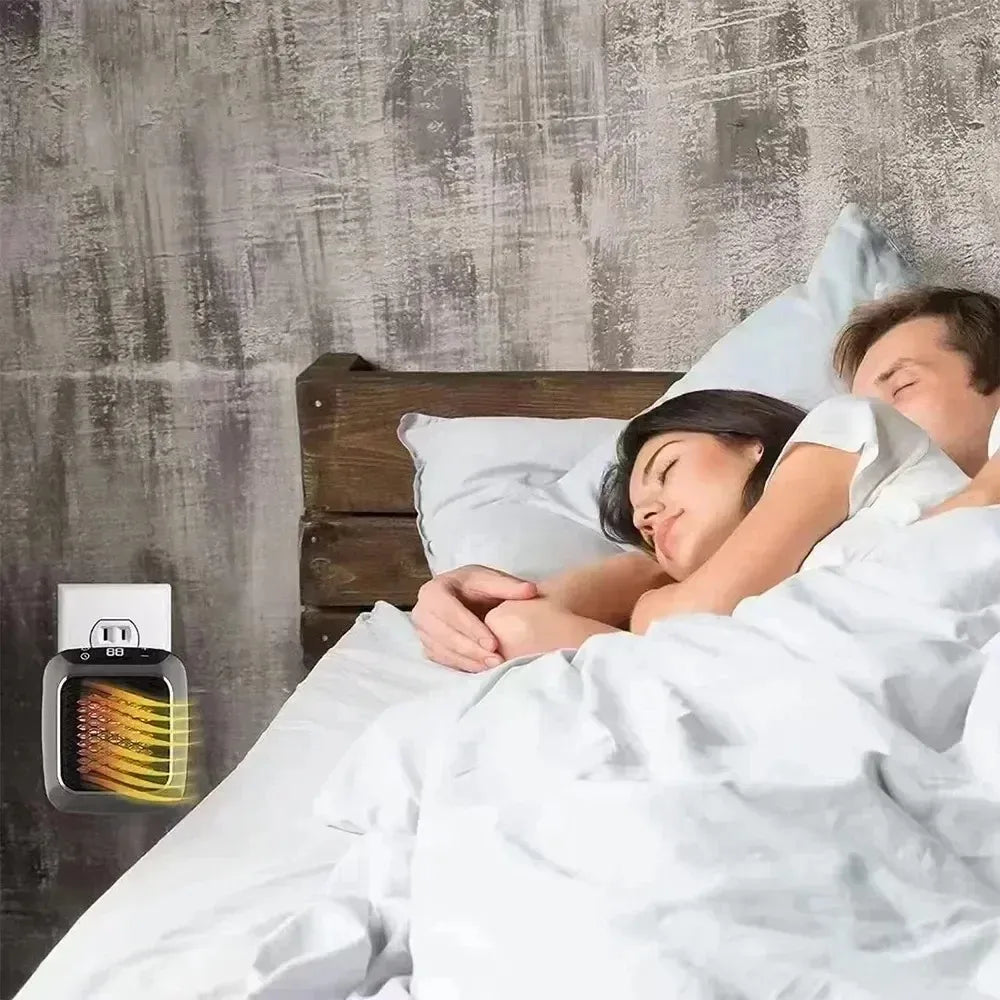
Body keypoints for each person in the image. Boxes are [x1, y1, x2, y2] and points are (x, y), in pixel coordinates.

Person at [413, 286, 1000, 671]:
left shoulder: (860, 430)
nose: (879, 410)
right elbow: (519, 627)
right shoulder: (841, 533)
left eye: (900, 386)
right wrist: (656, 564)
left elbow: (688, 617)